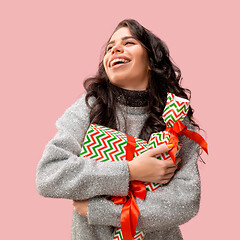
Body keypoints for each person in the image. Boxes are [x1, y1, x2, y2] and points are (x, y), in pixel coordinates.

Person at [36, 19, 201, 240]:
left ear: (151, 61)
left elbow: (185, 201)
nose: (115, 49)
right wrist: (131, 170)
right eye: (109, 47)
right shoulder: (89, 108)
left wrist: (103, 211)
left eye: (129, 42)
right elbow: (50, 174)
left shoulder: (175, 118)